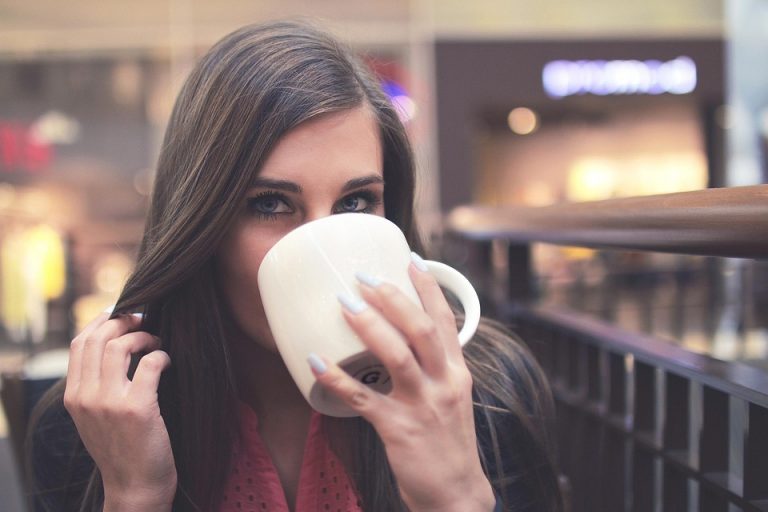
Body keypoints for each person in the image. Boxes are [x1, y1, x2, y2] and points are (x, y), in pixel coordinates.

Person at [28, 20, 562, 512]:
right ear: (201, 223)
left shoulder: (486, 395)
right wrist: (134, 496)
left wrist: (458, 497)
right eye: (269, 204)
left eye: (355, 203)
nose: (321, 244)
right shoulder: (97, 426)